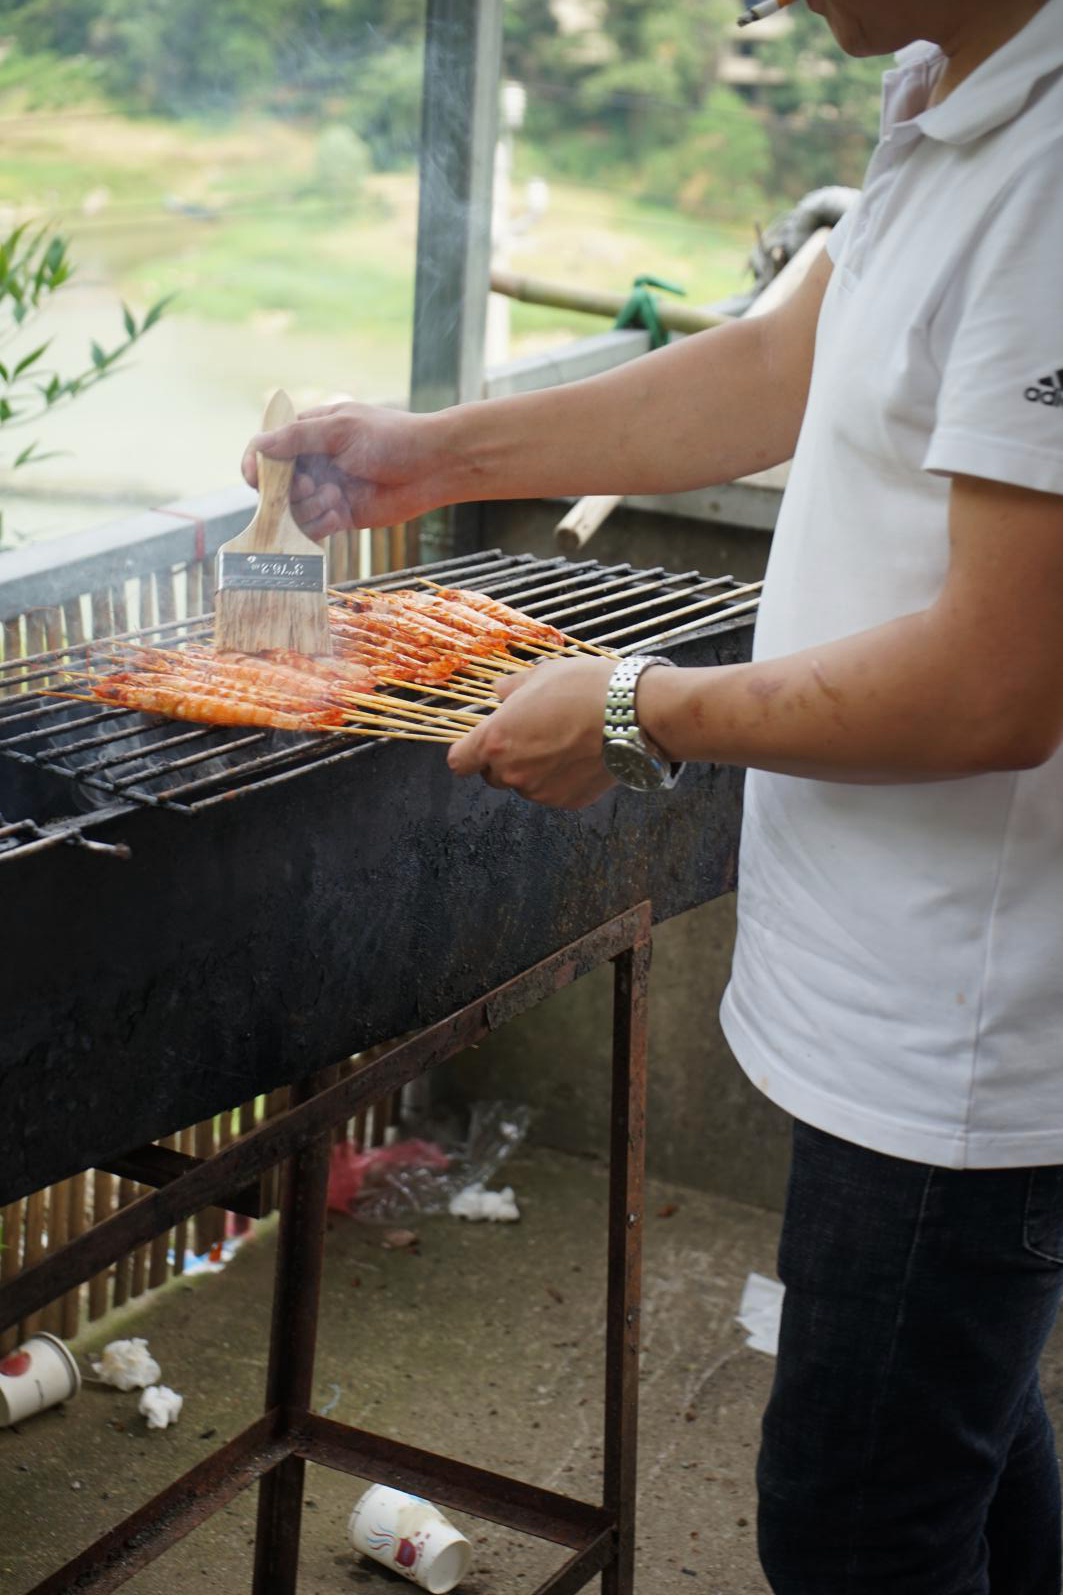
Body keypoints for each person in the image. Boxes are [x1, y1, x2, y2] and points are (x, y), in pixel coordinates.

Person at [243, 2, 1062, 1589]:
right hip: (901, 993)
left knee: (856, 1530)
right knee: (967, 1447)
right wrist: (425, 458)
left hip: (961, 1033)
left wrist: (631, 711)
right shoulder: (946, 90)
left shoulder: (1051, 174)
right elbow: (772, 364)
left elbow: (997, 683)